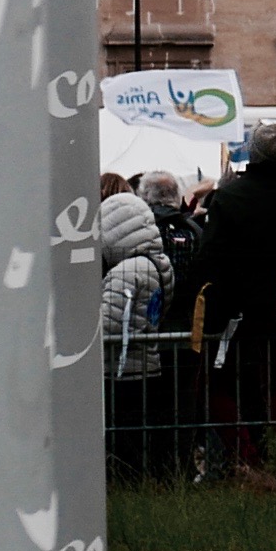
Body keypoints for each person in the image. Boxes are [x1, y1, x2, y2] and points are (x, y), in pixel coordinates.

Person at [172, 123, 276, 469]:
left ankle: (245, 462)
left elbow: (209, 256)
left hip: (235, 312)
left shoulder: (230, 198)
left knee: (217, 385)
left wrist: (189, 301)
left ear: (254, 154)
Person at [95, 182, 178, 479]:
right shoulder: (160, 263)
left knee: (123, 440)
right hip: (147, 363)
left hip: (119, 369)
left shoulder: (125, 272)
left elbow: (107, 325)